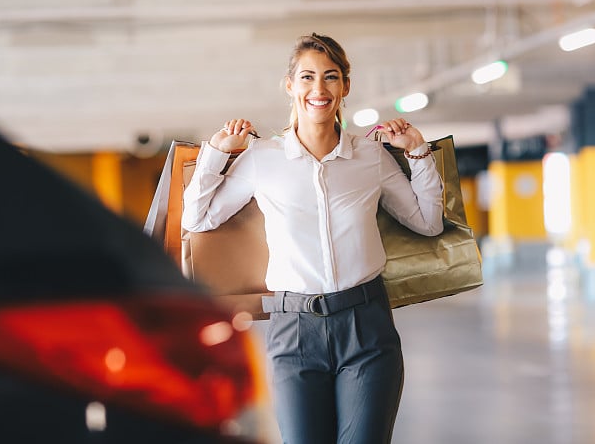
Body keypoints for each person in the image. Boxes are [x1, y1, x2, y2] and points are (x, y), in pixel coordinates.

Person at [182, 33, 444, 444]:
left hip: (366, 327)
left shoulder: (370, 157)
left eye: (331, 77)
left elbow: (428, 223)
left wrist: (417, 153)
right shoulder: (262, 158)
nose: (318, 89)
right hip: (294, 330)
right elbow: (196, 218)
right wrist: (216, 152)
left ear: (345, 86)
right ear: (290, 86)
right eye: (307, 77)